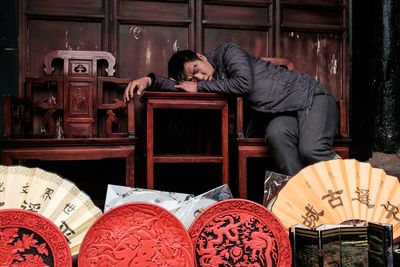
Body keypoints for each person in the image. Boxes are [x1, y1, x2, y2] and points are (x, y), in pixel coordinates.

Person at [124, 42, 340, 176]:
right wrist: (148, 80)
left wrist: (198, 86)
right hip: (283, 113)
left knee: (310, 150)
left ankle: (354, 181)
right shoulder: (209, 82)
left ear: (201, 56)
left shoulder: (229, 52)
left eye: (197, 69)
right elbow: (182, 87)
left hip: (310, 97)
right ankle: (306, 196)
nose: (200, 77)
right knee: (275, 136)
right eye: (194, 77)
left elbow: (243, 83)